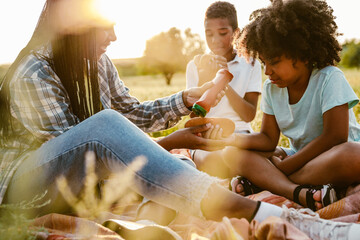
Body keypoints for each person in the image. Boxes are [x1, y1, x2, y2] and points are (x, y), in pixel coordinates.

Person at [1, 1, 360, 239]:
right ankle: (270, 214)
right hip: (29, 189)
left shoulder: (94, 63)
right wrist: (171, 144)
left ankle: (251, 202)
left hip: (83, 180)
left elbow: (132, 115)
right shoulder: (35, 72)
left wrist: (186, 100)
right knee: (118, 134)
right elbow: (86, 162)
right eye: (105, 26)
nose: (115, 36)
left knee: (162, 158)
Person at [217, 0, 360, 212]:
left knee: (353, 155)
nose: (267, 72)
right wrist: (231, 139)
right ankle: (298, 190)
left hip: (334, 157)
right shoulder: (271, 88)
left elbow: (335, 137)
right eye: (264, 63)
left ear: (301, 54)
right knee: (232, 153)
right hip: (300, 159)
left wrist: (286, 166)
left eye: (274, 62)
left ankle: (267, 182)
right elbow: (267, 139)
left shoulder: (329, 78)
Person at [185, 1, 262, 177]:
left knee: (244, 157)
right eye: (209, 34)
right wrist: (208, 78)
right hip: (207, 136)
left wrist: (223, 79)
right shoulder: (195, 66)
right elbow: (194, 116)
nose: (215, 40)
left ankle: (243, 176)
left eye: (222, 33)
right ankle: (243, 178)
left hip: (241, 135)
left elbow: (248, 115)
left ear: (236, 33)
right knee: (216, 162)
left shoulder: (250, 63)